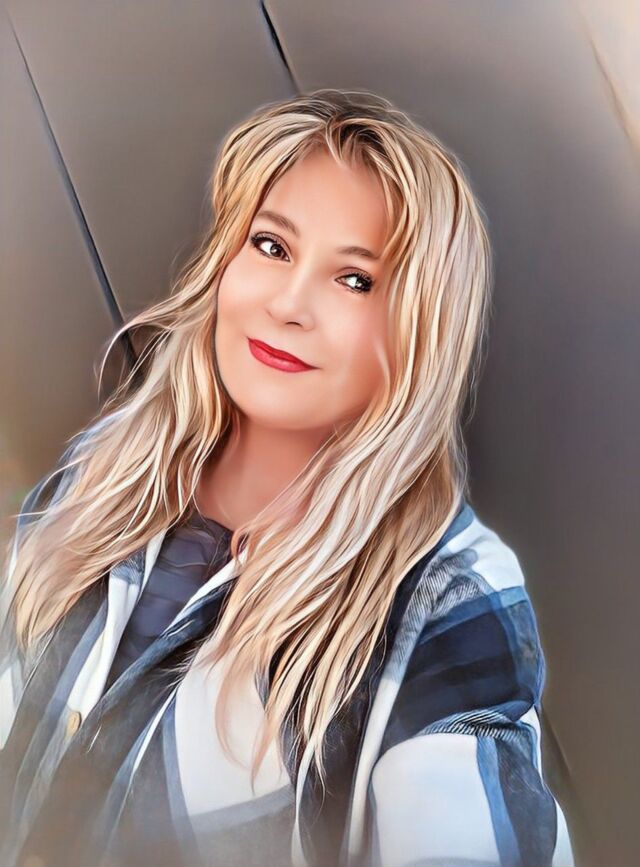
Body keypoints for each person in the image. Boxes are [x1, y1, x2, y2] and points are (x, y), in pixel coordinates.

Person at [0, 88, 575, 867]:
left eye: (356, 279)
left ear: (421, 331)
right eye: (271, 246)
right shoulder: (101, 474)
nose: (289, 303)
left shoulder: (446, 600)